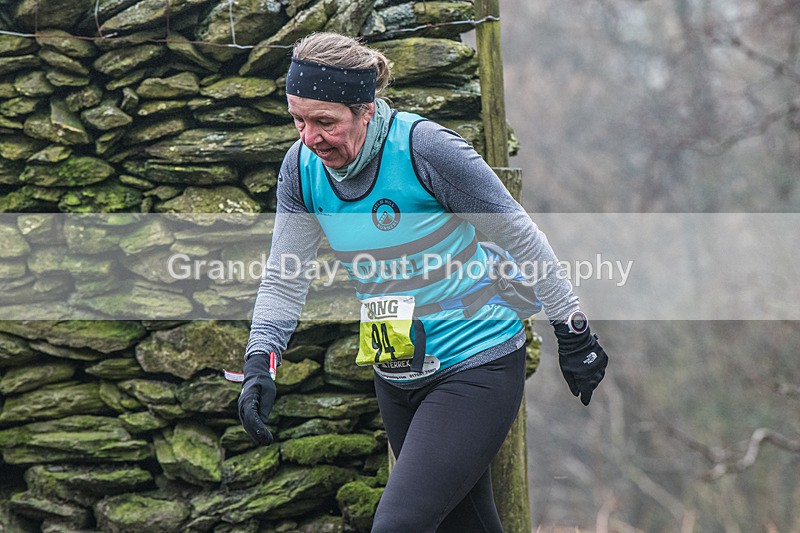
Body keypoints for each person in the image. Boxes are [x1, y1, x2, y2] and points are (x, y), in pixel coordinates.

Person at [239, 32, 609, 533]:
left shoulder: (424, 149)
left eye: (325, 122)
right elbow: (284, 278)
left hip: (475, 363)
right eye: (298, 120)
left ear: (365, 110)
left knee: (398, 524)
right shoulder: (300, 170)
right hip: (396, 371)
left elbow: (520, 235)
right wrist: (260, 361)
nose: (310, 137)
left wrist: (573, 330)